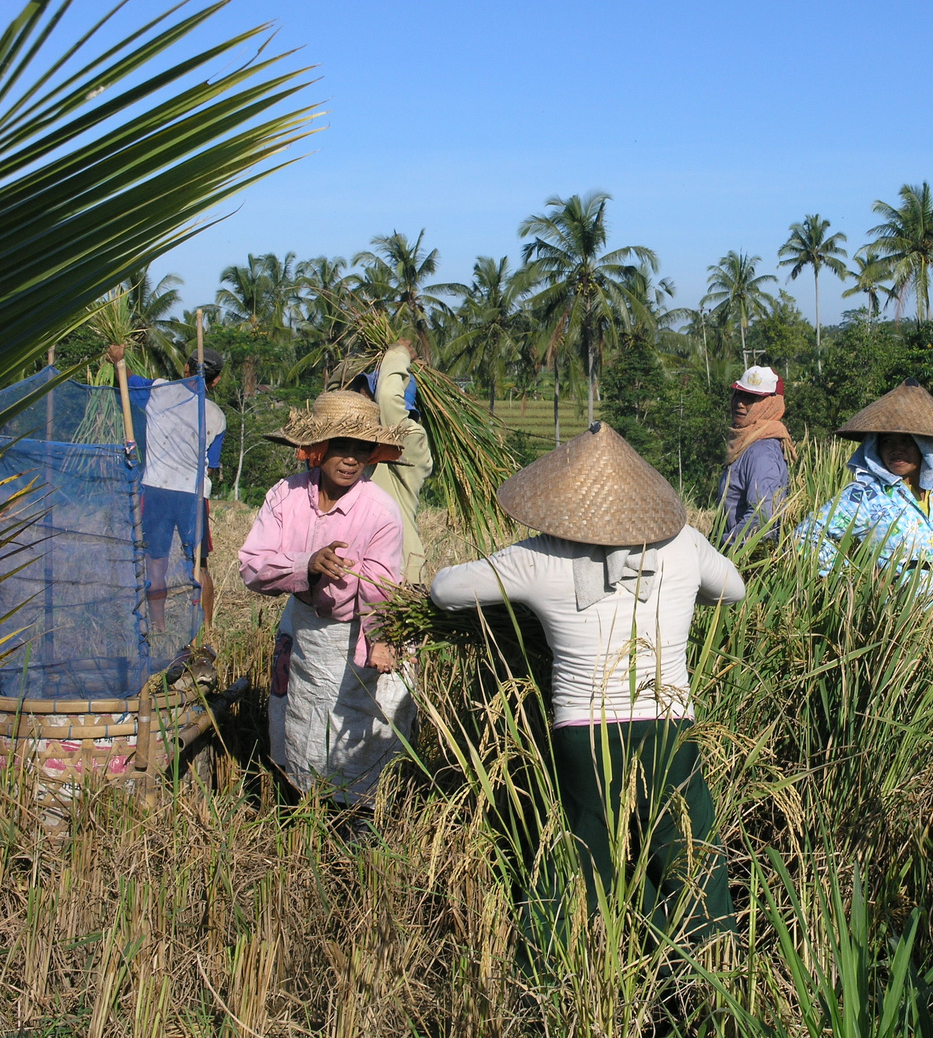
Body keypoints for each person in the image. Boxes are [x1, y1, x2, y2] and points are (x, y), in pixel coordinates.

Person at [430, 421, 745, 936]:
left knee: (580, 866)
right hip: (670, 726)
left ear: (566, 501)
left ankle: (554, 978)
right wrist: (686, 592)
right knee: (691, 868)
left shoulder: (540, 555)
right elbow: (733, 590)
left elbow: (445, 590)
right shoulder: (685, 543)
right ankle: (702, 982)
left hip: (584, 733)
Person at [238, 391, 410, 807]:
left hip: (353, 636)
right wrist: (306, 565)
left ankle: (357, 824)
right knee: (298, 726)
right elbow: (252, 565)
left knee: (356, 735)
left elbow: (379, 586)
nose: (351, 459)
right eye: (341, 446)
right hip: (303, 628)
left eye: (361, 449)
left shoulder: (380, 511)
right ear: (318, 449)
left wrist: (383, 640)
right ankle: (298, 809)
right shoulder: (286, 495)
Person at [798, 379, 933, 618]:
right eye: (887, 441)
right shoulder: (867, 495)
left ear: (927, 448)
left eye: (907, 441)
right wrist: (858, 581)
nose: (895, 449)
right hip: (896, 623)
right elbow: (807, 535)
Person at [107, 343, 226, 633]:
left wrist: (117, 359)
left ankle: (159, 626)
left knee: (155, 562)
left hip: (157, 488)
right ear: (216, 380)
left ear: (185, 369)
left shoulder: (159, 390)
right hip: (193, 494)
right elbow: (212, 464)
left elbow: (126, 379)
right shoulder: (217, 416)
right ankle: (206, 627)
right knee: (200, 563)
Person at [327, 340, 434, 583]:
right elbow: (331, 398)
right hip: (347, 576)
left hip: (398, 578)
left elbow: (387, 398)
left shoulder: (409, 440)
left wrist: (398, 354)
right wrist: (359, 354)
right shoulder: (334, 448)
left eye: (367, 402)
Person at [717, 365, 793, 546]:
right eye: (738, 395)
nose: (740, 403)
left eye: (751, 398)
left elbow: (761, 517)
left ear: (769, 405)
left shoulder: (762, 452)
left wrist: (722, 549)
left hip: (746, 560)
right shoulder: (746, 443)